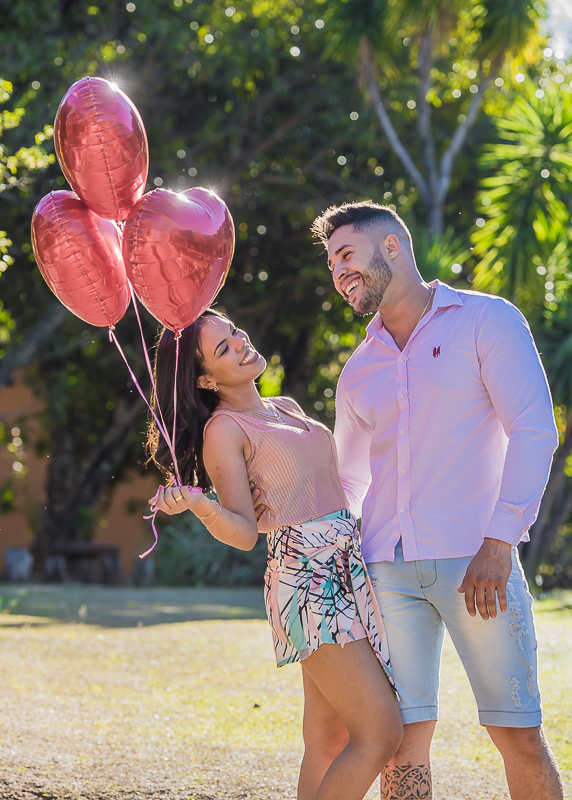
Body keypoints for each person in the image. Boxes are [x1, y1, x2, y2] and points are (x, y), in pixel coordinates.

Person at [310, 201, 565, 800]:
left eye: (347, 255)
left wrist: (500, 541)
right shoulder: (358, 370)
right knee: (401, 740)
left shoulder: (487, 322)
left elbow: (533, 429)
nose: (338, 273)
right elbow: (348, 484)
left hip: (478, 562)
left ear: (393, 246)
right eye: (331, 264)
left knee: (518, 734)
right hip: (386, 573)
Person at [144, 309, 403, 800]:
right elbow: (244, 532)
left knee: (329, 740)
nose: (241, 344)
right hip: (307, 580)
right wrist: (202, 505)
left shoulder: (283, 406)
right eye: (224, 349)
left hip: (346, 568)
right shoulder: (224, 429)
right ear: (205, 378)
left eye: (235, 333)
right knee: (380, 733)